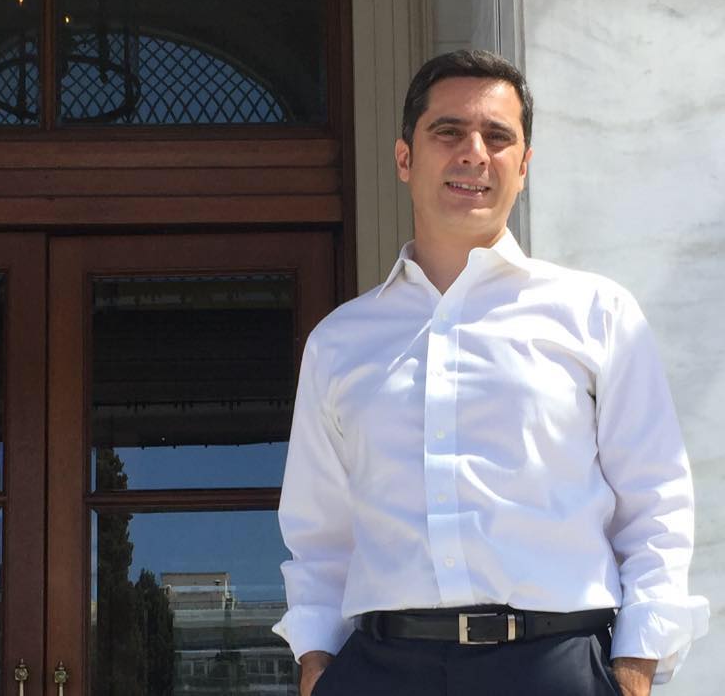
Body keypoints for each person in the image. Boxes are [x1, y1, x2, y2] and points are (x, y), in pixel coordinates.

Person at [273, 50, 708, 696]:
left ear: (523, 166)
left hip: (555, 665)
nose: (473, 153)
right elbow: (319, 531)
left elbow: (655, 503)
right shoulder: (339, 342)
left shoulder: (596, 314)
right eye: (448, 131)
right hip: (381, 669)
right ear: (404, 158)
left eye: (497, 137)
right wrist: (316, 662)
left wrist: (636, 666)